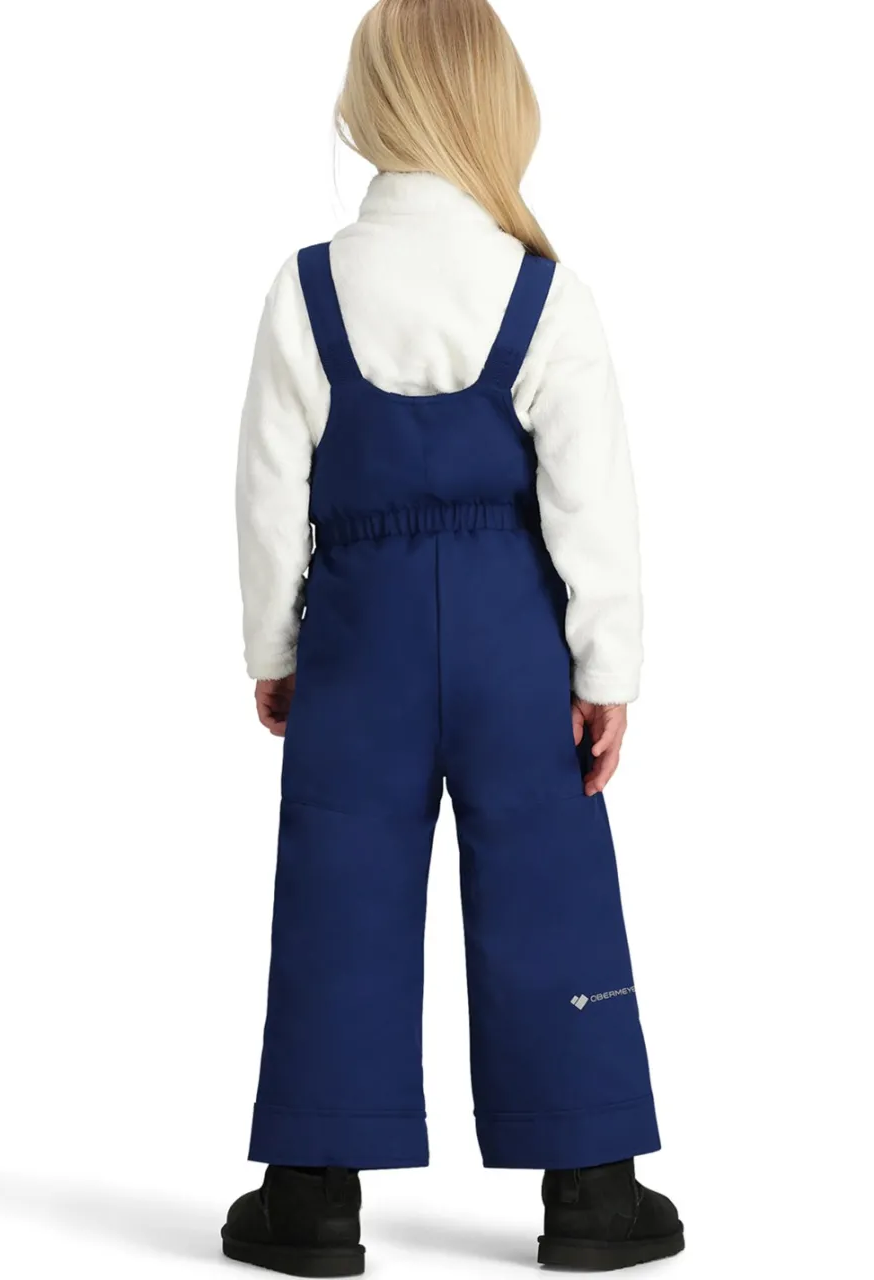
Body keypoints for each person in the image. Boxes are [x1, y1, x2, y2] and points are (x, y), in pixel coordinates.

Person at [224, 1, 682, 1272]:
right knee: (548, 875)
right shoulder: (542, 291)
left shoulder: (308, 288)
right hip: (508, 637)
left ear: (367, 107)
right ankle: (590, 1187)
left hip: (357, 634)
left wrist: (273, 649)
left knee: (340, 882)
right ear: (496, 107)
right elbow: (593, 504)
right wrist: (606, 671)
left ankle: (311, 1193)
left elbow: (266, 494)